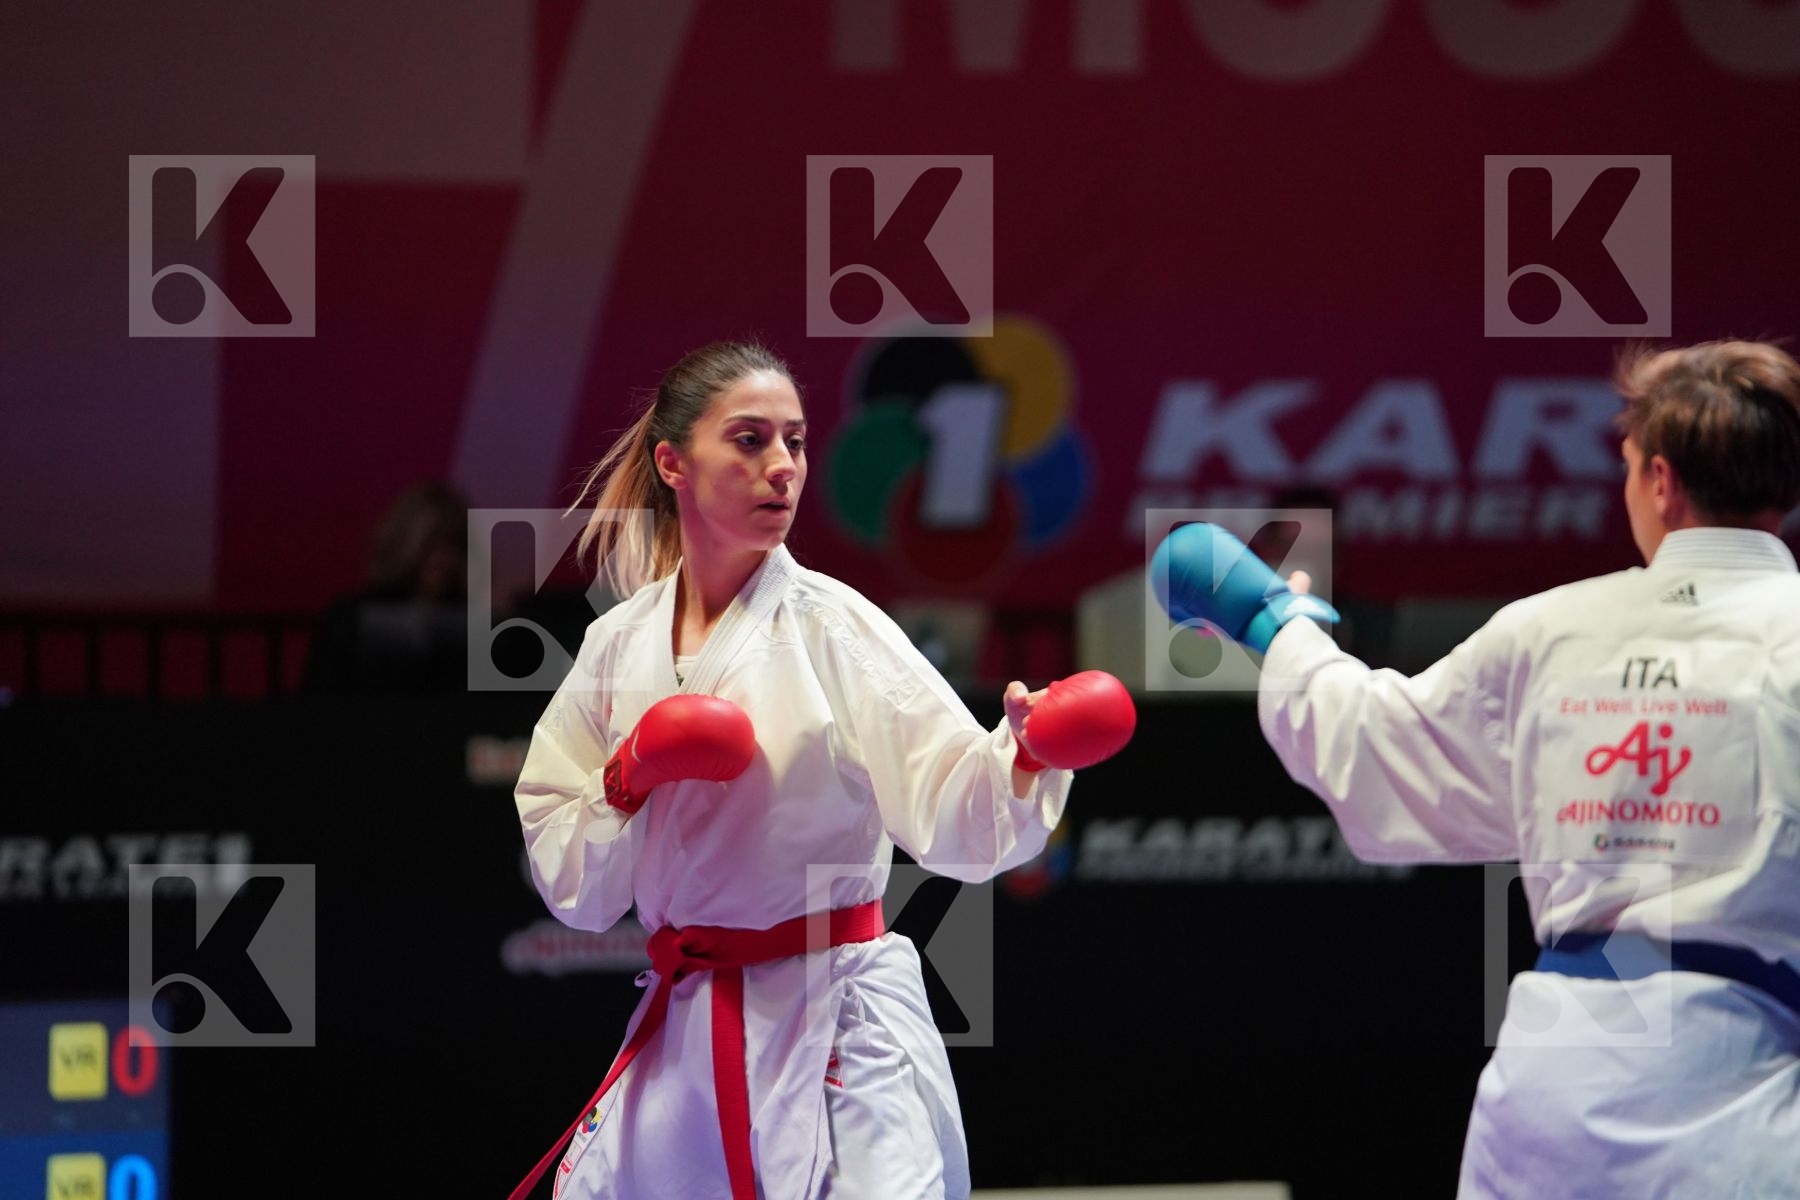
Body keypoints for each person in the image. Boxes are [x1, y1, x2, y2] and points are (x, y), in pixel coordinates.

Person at [1154, 339, 1800, 1198]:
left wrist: (1274, 623)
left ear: (1659, 481)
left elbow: (1381, 750)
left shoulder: (1551, 630)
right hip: (1748, 1080)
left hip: (1556, 1092)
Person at [509, 341, 1083, 1200]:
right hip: (691, 1022)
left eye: (797, 442)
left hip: (838, 1018)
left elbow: (958, 815)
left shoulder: (834, 627)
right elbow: (576, 892)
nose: (782, 467)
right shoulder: (616, 645)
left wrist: (1027, 751)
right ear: (673, 463)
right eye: (749, 440)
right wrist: (628, 775)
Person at [299, 480, 470, 694]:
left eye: (454, 545)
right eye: (432, 543)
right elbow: (317, 704)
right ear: (407, 542)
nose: (444, 558)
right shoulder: (352, 620)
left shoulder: (472, 625)